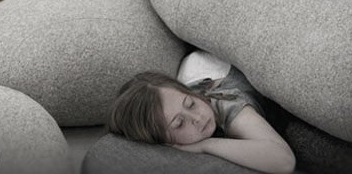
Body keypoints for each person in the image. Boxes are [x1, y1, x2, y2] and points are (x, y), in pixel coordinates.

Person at [108, 69, 296, 174]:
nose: (198, 118)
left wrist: (206, 145)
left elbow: (284, 161)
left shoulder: (228, 106)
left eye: (190, 104)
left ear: (189, 92)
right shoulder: (170, 107)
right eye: (179, 123)